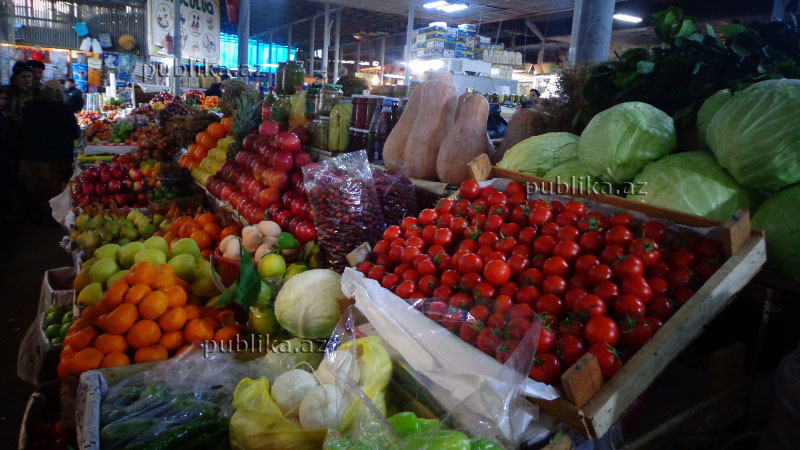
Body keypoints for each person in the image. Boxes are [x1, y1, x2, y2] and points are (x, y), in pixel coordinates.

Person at [18, 80, 79, 223]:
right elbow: (74, 133)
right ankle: (51, 218)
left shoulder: (28, 108)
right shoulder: (64, 110)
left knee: (34, 188)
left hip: (30, 157)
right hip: (56, 158)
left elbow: (21, 131)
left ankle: (34, 218)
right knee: (53, 190)